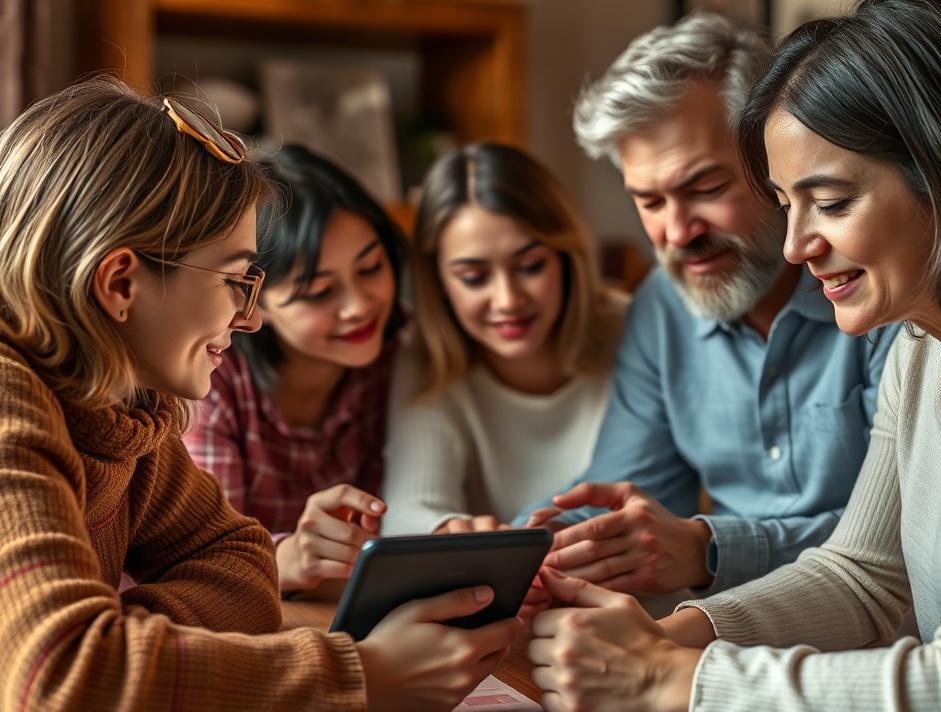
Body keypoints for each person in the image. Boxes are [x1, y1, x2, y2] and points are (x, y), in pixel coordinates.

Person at [528, 1, 941, 712]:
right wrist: (666, 637)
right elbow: (864, 576)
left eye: (830, 203)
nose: (796, 246)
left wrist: (677, 679)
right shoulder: (921, 350)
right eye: (788, 204)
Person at [0, 77, 517, 712]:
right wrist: (357, 677)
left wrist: (120, 642)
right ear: (120, 283)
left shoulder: (123, 405)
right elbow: (62, 697)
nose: (248, 317)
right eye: (235, 281)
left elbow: (242, 566)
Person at [519, 11, 898, 605]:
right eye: (648, 200)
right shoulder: (662, 307)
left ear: (778, 165)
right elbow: (633, 497)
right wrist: (515, 543)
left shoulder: (883, 287)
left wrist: (706, 549)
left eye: (705, 188)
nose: (675, 231)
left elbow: (898, 541)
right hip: (718, 632)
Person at [184, 144, 405, 593]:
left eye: (371, 268)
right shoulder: (210, 379)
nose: (359, 306)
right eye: (320, 292)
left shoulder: (400, 351)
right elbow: (201, 559)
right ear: (253, 299)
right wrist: (288, 557)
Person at [379, 143, 627, 535]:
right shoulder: (424, 357)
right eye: (474, 277)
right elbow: (408, 512)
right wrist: (455, 535)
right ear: (438, 280)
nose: (508, 300)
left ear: (565, 256)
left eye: (530, 266)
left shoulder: (633, 328)